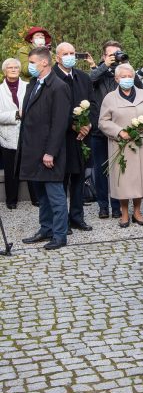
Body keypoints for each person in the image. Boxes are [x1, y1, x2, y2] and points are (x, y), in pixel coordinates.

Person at [18, 47, 71, 250]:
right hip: (34, 151)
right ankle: (46, 228)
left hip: (49, 153)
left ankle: (59, 235)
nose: (29, 66)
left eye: (32, 62)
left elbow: (59, 123)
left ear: (44, 63)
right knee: (42, 196)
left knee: (55, 195)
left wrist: (50, 152)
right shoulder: (34, 84)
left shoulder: (58, 86)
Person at [90, 41, 143, 220]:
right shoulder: (99, 72)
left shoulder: (124, 72)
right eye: (111, 54)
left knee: (120, 169)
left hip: (123, 131)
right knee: (102, 169)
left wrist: (125, 66)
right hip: (100, 131)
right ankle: (103, 205)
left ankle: (117, 207)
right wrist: (105, 66)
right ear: (104, 56)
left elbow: (140, 88)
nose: (115, 57)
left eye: (117, 53)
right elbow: (89, 81)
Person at [98, 63, 143, 228]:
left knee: (139, 179)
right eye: (123, 77)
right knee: (122, 180)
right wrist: (119, 132)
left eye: (130, 76)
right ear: (116, 78)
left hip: (140, 143)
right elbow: (102, 122)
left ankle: (137, 211)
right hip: (120, 145)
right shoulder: (110, 98)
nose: (127, 79)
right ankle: (124, 213)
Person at [52, 42, 94, 232]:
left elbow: (93, 103)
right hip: (61, 138)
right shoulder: (51, 77)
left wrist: (88, 124)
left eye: (72, 52)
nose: (70, 56)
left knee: (79, 178)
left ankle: (77, 217)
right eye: (66, 53)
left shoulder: (83, 77)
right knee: (61, 180)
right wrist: (73, 124)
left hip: (82, 138)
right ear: (57, 58)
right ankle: (61, 221)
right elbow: (53, 109)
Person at [0, 59, 26, 209]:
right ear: (5, 71)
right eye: (10, 67)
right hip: (7, 136)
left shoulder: (29, 87)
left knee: (31, 167)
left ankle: (36, 199)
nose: (13, 69)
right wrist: (17, 114)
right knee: (10, 170)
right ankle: (11, 200)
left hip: (28, 134)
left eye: (16, 67)